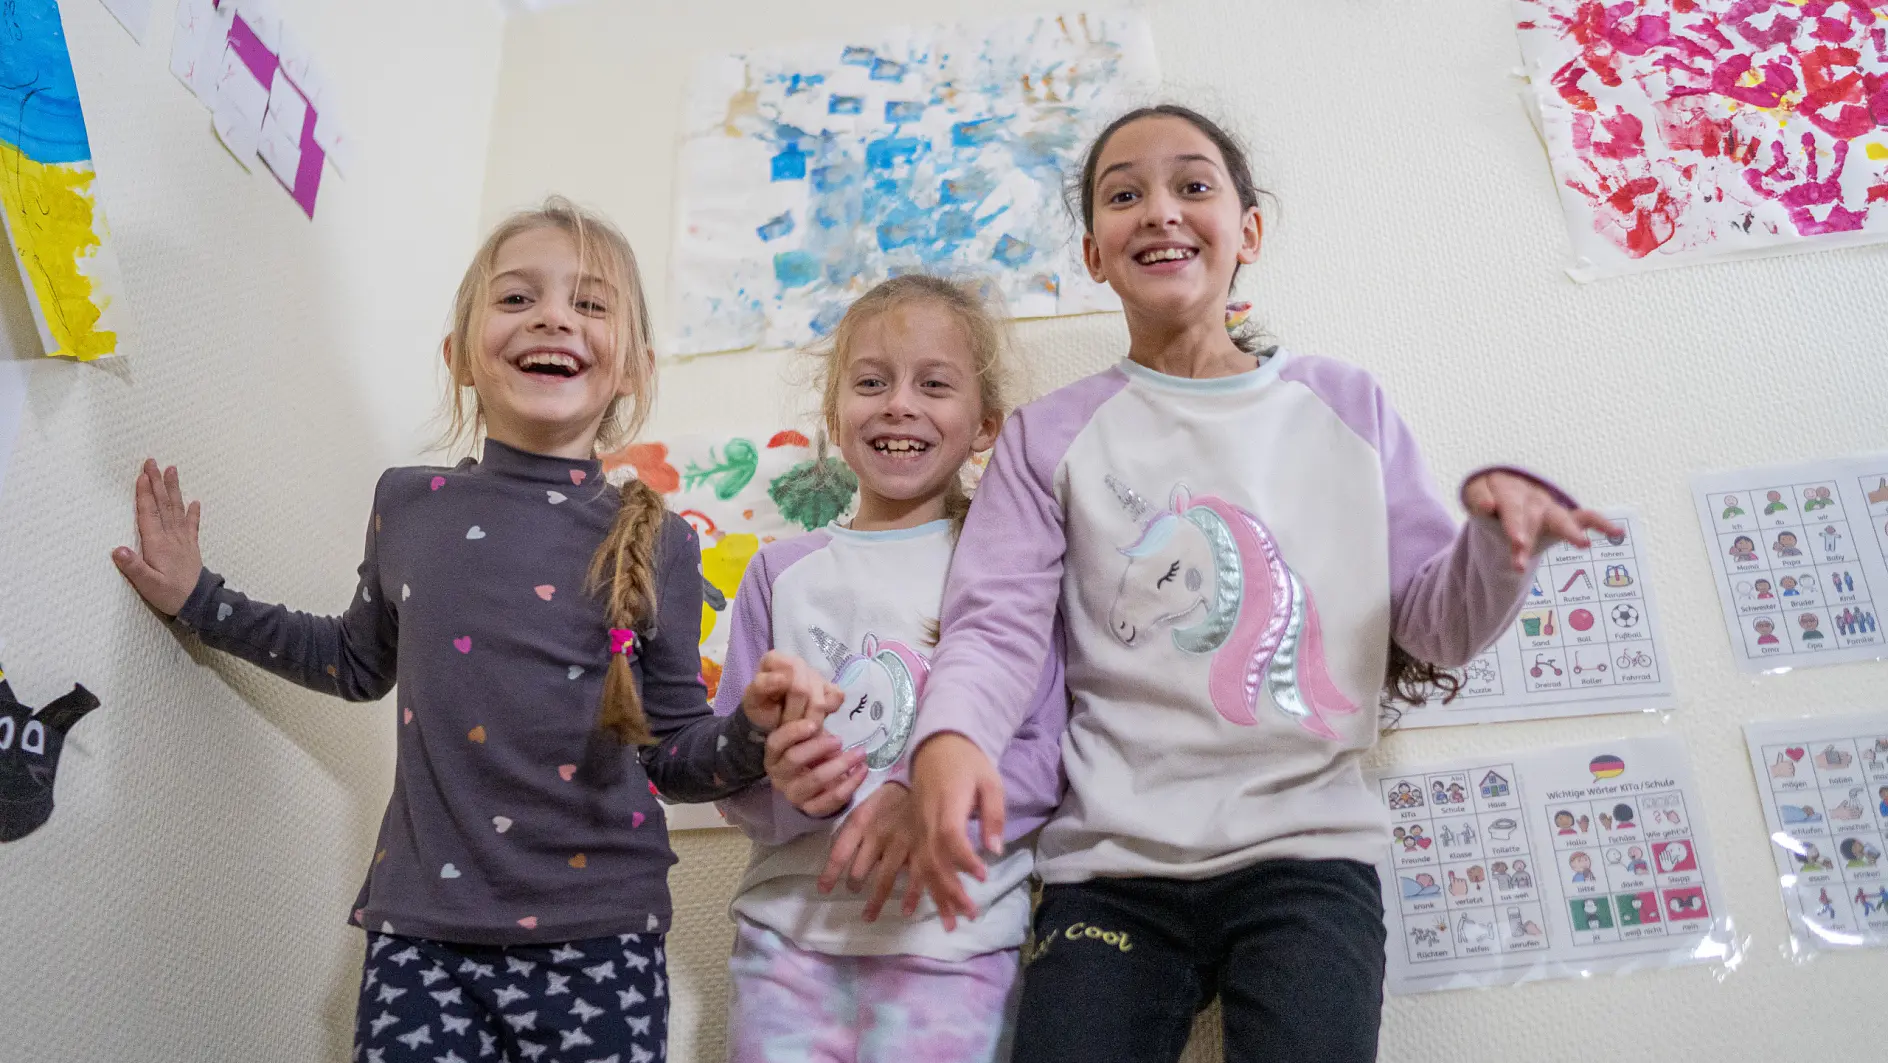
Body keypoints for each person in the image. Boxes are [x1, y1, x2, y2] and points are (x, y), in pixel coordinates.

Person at [903, 105, 1614, 1062]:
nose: (1159, 210)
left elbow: (1434, 628)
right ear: (1092, 253)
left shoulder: (1344, 405)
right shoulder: (1047, 437)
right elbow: (993, 626)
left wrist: (1493, 543)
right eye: (1125, 194)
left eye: (1193, 185)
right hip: (1109, 870)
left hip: (1309, 860)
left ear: (1251, 229)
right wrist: (947, 741)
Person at [111, 198, 836, 1061]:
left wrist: (755, 728)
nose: (555, 317)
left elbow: (674, 756)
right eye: (517, 298)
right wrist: (200, 597)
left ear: (635, 369)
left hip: (603, 941)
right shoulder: (410, 503)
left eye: (590, 304)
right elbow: (351, 659)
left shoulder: (666, 541)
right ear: (459, 355)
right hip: (424, 938)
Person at [713, 276, 1066, 1062]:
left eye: (933, 384)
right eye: (871, 382)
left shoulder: (1012, 571)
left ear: (985, 425)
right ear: (835, 415)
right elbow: (732, 770)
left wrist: (936, 803)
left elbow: (1046, 755)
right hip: (789, 947)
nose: (899, 404)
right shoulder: (780, 573)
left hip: (958, 945)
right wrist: (787, 791)